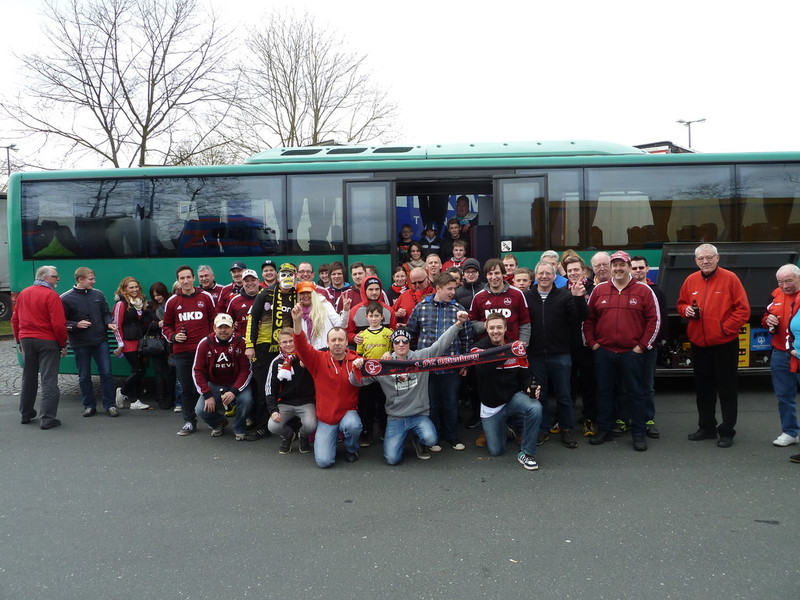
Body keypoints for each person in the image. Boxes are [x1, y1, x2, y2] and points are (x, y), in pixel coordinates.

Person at [350, 312, 470, 465]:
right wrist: (356, 369)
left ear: (409, 342)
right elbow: (357, 382)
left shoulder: (420, 358)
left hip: (419, 415)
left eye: (404, 341)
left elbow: (441, 344)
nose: (401, 344)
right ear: (393, 344)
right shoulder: (384, 365)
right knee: (392, 459)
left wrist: (458, 324)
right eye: (397, 341)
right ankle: (401, 440)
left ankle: (419, 441)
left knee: (431, 439)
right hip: (396, 418)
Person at [583, 251, 660, 451]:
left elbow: (653, 320)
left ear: (628, 267)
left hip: (631, 353)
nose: (618, 269)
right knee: (604, 392)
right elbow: (588, 320)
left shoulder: (644, 290)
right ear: (610, 267)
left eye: (622, 265)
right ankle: (604, 430)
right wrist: (593, 344)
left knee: (636, 392)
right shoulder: (599, 290)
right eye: (614, 265)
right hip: (604, 351)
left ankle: (638, 433)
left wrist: (641, 346)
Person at [677, 243, 750, 448]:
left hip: (724, 343)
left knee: (727, 389)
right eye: (701, 258)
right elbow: (681, 303)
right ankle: (706, 428)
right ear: (696, 261)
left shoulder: (730, 279)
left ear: (717, 258)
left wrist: (725, 329)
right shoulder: (691, 280)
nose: (705, 261)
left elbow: (743, 310)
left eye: (709, 257)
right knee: (703, 389)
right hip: (699, 344)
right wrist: (685, 310)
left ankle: (726, 431)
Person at [406, 272, 474, 451]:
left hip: (451, 367)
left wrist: (465, 363)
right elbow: (410, 333)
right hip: (427, 367)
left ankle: (452, 437)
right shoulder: (421, 307)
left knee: (451, 404)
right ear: (438, 288)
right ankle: (434, 438)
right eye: (449, 289)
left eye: (454, 288)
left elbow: (467, 338)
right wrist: (411, 358)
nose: (453, 292)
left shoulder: (459, 309)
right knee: (432, 404)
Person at [291, 303, 362, 468]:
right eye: (333, 340)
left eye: (341, 340)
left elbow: (372, 373)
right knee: (324, 462)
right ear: (327, 343)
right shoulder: (318, 360)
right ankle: (331, 440)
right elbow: (301, 346)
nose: (337, 343)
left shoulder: (357, 361)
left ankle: (351, 449)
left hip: (348, 413)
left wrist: (364, 366)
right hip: (326, 418)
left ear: (347, 342)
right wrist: (297, 322)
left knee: (353, 425)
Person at [525, 261, 587, 449]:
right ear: (536, 275)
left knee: (564, 395)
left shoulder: (565, 295)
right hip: (535, 354)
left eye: (548, 273)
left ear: (554, 276)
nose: (544, 276)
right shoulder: (527, 296)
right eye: (541, 273)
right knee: (539, 395)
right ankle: (543, 429)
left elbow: (582, 316)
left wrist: (578, 298)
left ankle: (566, 429)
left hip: (560, 354)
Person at [472, 313, 543, 471]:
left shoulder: (515, 348)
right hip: (491, 404)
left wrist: (531, 386)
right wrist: (507, 352)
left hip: (512, 398)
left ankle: (527, 453)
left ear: (505, 329)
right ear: (486, 329)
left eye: (499, 327)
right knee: (496, 451)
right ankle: (507, 430)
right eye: (491, 328)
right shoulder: (478, 347)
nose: (495, 331)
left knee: (535, 407)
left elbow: (526, 375)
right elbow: (482, 368)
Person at [244, 263, 298, 440]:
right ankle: (262, 427)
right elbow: (252, 319)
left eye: (290, 274)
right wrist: (249, 345)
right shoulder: (265, 294)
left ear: (295, 277)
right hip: (264, 346)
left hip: (287, 347)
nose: (287, 278)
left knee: (289, 385)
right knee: (263, 388)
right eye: (284, 274)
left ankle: (291, 426)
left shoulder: (297, 295)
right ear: (278, 276)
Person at [162, 265, 216, 436]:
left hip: (203, 351)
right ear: (178, 281)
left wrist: (210, 341)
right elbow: (166, 326)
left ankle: (213, 420)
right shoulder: (172, 301)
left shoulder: (205, 297)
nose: (185, 281)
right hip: (182, 352)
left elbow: (214, 321)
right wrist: (173, 336)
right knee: (186, 388)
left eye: (188, 277)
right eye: (182, 278)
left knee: (208, 386)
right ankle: (189, 421)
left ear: (194, 278)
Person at [12, 266, 68, 429]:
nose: (58, 279)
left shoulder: (24, 293)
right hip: (47, 341)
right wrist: (63, 344)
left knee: (28, 377)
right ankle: (48, 418)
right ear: (45, 278)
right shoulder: (51, 295)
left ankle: (26, 413)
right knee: (49, 379)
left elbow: (15, 319)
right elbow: (58, 324)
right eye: (55, 276)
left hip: (26, 339)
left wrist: (18, 341)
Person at [60, 267, 119, 417]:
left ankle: (110, 405)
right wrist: (76, 324)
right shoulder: (65, 298)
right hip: (80, 343)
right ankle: (89, 405)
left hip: (100, 340)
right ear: (80, 279)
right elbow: (61, 322)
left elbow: (106, 313)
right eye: (90, 279)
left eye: (93, 278)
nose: (94, 281)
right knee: (84, 375)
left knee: (106, 373)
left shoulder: (98, 294)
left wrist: (109, 323)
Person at [193, 313, 253, 441]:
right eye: (220, 327)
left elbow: (246, 370)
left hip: (235, 383)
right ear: (214, 328)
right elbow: (197, 371)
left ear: (233, 328)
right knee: (200, 410)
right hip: (215, 383)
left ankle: (239, 427)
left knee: (247, 400)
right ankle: (218, 422)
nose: (223, 330)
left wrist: (234, 391)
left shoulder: (241, 342)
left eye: (226, 327)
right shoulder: (205, 343)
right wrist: (207, 395)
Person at [630, 255, 668, 439]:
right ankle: (626, 418)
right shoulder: (626, 291)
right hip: (628, 348)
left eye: (641, 267)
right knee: (627, 385)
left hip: (648, 347)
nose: (638, 271)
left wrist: (652, 343)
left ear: (647, 269)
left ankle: (648, 420)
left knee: (647, 386)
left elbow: (661, 320)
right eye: (634, 268)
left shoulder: (657, 292)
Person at [763, 264, 800, 447]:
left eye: (788, 281)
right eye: (780, 282)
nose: (784, 286)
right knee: (784, 396)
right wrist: (767, 320)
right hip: (780, 352)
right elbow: (766, 316)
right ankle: (790, 432)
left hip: (798, 354)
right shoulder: (775, 294)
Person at [265, 328, 317, 454]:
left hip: (306, 402)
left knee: (311, 425)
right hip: (285, 403)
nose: (288, 344)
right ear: (280, 344)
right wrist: (273, 410)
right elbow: (269, 388)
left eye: (291, 341)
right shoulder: (276, 362)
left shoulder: (307, 357)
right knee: (273, 426)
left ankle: (303, 435)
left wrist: (309, 365)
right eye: (284, 342)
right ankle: (288, 435)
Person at [563, 255, 596, 436]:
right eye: (570, 271)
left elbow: (590, 315)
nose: (573, 273)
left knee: (589, 384)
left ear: (583, 271)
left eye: (576, 269)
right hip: (567, 345)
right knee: (568, 385)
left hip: (587, 345)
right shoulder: (561, 290)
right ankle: (565, 419)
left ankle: (589, 418)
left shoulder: (594, 289)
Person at [354, 300, 394, 446]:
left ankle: (384, 430)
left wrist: (390, 353)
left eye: (377, 315)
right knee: (367, 405)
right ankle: (367, 431)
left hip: (385, 375)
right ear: (366, 317)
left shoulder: (389, 333)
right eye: (371, 316)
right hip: (368, 376)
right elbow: (359, 355)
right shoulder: (362, 335)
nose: (374, 318)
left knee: (384, 403)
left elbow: (395, 351)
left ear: (382, 317)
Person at [112, 276, 152, 410]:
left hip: (139, 341)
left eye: (136, 287)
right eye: (131, 287)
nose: (135, 290)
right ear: (124, 289)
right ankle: (122, 391)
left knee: (139, 370)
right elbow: (116, 325)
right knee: (138, 370)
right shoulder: (121, 304)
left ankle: (135, 401)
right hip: (128, 342)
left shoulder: (140, 302)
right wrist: (120, 344)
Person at [469, 258, 531, 345]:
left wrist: (522, 346)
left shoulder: (517, 294)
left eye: (497, 273)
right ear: (486, 276)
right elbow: (471, 323)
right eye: (490, 274)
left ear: (503, 274)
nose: (494, 277)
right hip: (487, 349)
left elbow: (525, 324)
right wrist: (485, 325)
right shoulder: (478, 297)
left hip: (511, 347)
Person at [294, 280, 349, 350]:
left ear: (313, 293)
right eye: (302, 293)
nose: (305, 295)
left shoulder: (324, 305)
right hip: (310, 351)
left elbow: (340, 325)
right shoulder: (298, 311)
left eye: (308, 292)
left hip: (326, 349)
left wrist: (345, 310)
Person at [148, 281, 175, 410]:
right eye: (154, 295)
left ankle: (171, 397)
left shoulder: (171, 303)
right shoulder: (150, 307)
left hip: (170, 342)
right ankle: (161, 398)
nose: (157, 297)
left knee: (171, 372)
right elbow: (145, 325)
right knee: (158, 372)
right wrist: (156, 324)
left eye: (159, 294)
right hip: (156, 343)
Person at [223, 268, 261, 334]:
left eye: (253, 280)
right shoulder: (235, 301)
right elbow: (228, 322)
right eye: (246, 281)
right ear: (243, 283)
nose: (250, 283)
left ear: (258, 281)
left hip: (264, 338)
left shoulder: (268, 297)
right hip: (242, 338)